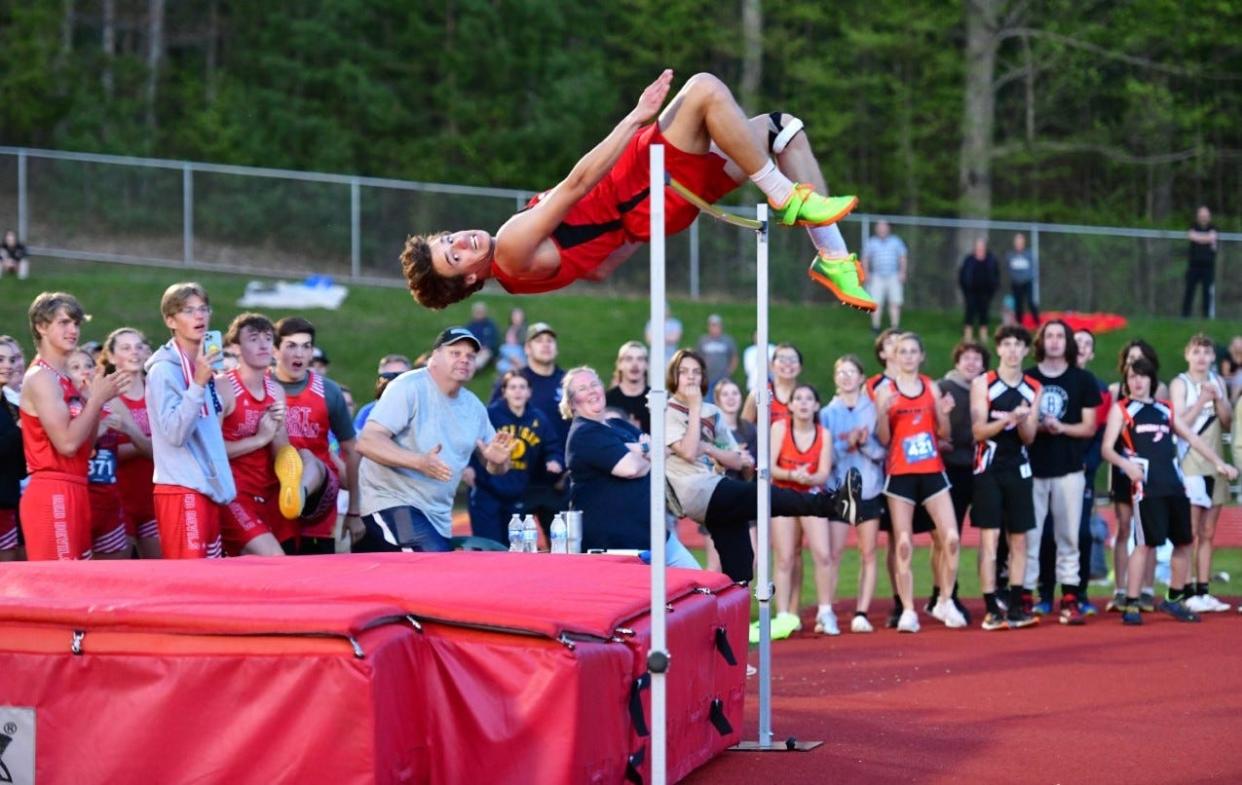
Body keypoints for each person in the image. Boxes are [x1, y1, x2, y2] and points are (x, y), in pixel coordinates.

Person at [400, 70, 873, 311]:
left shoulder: (518, 275)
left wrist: (649, 226)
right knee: (705, 88)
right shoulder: (512, 245)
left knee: (780, 130)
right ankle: (783, 195)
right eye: (456, 256)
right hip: (642, 184)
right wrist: (636, 117)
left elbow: (599, 269)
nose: (463, 241)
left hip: (648, 199)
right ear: (467, 280)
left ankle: (833, 259)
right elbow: (577, 183)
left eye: (449, 240)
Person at [657, 352, 860, 587]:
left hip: (716, 491)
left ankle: (729, 618)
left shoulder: (712, 412)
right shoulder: (667, 411)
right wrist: (694, 411)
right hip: (694, 491)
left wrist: (710, 449)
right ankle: (833, 505)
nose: (690, 377)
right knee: (764, 494)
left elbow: (736, 460)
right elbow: (690, 451)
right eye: (683, 371)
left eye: (696, 371)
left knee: (741, 565)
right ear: (673, 375)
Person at [1101, 357, 1238, 625]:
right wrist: (1126, 466)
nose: (1136, 381)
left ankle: (1174, 599)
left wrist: (1219, 463)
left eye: (1141, 376)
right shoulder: (1123, 409)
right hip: (1146, 486)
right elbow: (1107, 448)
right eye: (1131, 377)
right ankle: (1131, 603)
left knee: (1185, 541)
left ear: (1151, 379)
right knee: (1145, 543)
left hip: (1174, 485)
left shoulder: (1165, 409)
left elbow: (1192, 437)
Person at [356, 327, 513, 552]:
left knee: (430, 570)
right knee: (433, 562)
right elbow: (368, 441)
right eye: (455, 353)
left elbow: (497, 467)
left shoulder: (474, 407)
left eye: (470, 356)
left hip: (437, 515)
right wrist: (419, 462)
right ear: (435, 356)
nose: (464, 360)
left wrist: (498, 461)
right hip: (391, 502)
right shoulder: (407, 387)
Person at [19, 293, 129, 560]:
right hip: (53, 489)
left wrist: (93, 401)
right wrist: (96, 403)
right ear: (41, 327)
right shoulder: (42, 377)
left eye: (76, 324)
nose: (73, 330)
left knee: (78, 584)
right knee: (60, 588)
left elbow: (86, 447)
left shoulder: (65, 378)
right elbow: (67, 445)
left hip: (77, 486)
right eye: (64, 323)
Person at [874, 332, 965, 632]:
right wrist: (881, 412)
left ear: (921, 356)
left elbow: (944, 433)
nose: (909, 356)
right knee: (902, 544)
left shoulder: (931, 387)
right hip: (900, 474)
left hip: (932, 472)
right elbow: (884, 439)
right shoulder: (886, 391)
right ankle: (909, 610)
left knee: (951, 538)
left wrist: (945, 413)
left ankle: (945, 600)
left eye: (914, 351)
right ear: (894, 356)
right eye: (903, 351)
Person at [145, 283, 233, 559]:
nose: (199, 317)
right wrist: (196, 384)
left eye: (203, 309)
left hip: (207, 488)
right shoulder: (163, 371)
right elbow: (174, 434)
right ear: (170, 321)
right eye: (188, 310)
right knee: (191, 587)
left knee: (212, 584)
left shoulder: (203, 364)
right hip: (182, 490)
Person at [1023, 319, 1101, 624]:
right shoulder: (1028, 379)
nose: (1054, 341)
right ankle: (1027, 594)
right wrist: (1036, 426)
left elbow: (1089, 426)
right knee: (1030, 536)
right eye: (1049, 336)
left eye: (1060, 336)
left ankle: (1070, 597)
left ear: (1067, 343)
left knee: (1069, 535)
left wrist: (1061, 427)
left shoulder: (1083, 379)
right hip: (1032, 468)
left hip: (1069, 468)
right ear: (1041, 342)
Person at [970, 325, 1042, 631]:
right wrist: (1009, 420)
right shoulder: (983, 383)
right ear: (998, 349)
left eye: (1018, 345)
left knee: (1020, 538)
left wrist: (1023, 421)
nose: (1012, 350)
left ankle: (1015, 607)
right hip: (988, 466)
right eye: (1007, 345)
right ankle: (990, 609)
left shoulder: (1034, 388)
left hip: (1019, 467)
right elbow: (978, 431)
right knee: (990, 539)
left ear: (1026, 351)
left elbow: (1029, 438)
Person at [272, 316, 363, 554]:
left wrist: (354, 511)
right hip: (270, 491)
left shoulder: (329, 391)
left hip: (318, 495)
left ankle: (298, 493)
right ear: (275, 350)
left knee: (305, 456)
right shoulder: (260, 385)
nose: (299, 354)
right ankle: (291, 494)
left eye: (306, 346)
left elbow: (352, 449)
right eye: (291, 345)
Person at [215, 313, 298, 557]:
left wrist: (279, 430)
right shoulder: (223, 387)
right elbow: (211, 451)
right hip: (231, 495)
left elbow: (279, 449)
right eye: (253, 338)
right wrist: (260, 438)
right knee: (275, 560)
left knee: (251, 574)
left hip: (263, 494)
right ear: (235, 348)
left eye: (268, 338)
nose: (263, 345)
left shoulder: (276, 391)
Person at [822, 355, 886, 633]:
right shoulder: (826, 413)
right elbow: (823, 455)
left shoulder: (873, 410)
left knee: (868, 551)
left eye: (852, 372)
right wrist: (845, 443)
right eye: (841, 372)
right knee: (833, 552)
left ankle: (862, 612)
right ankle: (828, 611)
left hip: (869, 486)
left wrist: (863, 444)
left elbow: (884, 450)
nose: (846, 377)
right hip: (838, 487)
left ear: (862, 377)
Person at [1169, 333, 1233, 613]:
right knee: (1190, 531)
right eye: (1196, 352)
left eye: (1206, 353)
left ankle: (1203, 590)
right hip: (1191, 462)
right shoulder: (1180, 383)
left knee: (1208, 532)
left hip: (1216, 463)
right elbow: (1178, 424)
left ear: (1213, 358)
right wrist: (1202, 400)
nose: (1202, 358)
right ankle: (1183, 591)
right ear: (1187, 355)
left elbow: (1229, 422)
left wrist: (1218, 399)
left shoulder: (1218, 381)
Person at [1104, 340, 1165, 613]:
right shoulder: (1115, 391)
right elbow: (1110, 437)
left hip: (1151, 469)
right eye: (1130, 359)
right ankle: (1120, 589)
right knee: (1125, 526)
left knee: (1149, 529)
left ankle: (1147, 589)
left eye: (1140, 359)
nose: (1135, 364)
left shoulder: (1160, 390)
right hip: (1122, 466)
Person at [770, 383, 835, 638]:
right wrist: (791, 474)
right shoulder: (779, 429)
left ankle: (825, 611)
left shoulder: (824, 434)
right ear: (791, 405)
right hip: (784, 495)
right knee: (785, 556)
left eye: (809, 398)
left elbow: (823, 473)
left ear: (816, 405)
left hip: (810, 496)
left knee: (823, 553)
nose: (804, 403)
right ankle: (784, 615)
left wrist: (807, 479)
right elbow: (770, 467)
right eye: (798, 398)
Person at [466, 370, 560, 545]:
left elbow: (551, 445)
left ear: (529, 392)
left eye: (522, 387)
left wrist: (554, 460)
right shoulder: (490, 415)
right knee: (489, 548)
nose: (518, 391)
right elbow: (472, 442)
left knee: (515, 549)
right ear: (504, 391)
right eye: (513, 387)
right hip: (487, 490)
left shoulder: (538, 419)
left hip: (518, 492)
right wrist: (469, 467)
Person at [932, 340, 989, 622]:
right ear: (957, 361)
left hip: (979, 469)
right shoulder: (943, 387)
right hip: (950, 469)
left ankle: (992, 591)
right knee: (946, 536)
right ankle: (943, 593)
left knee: (986, 534)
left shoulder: (989, 389)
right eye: (966, 357)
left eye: (977, 359)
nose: (971, 363)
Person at [491, 322, 567, 531]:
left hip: (556, 480)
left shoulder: (566, 381)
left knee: (563, 547)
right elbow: (491, 424)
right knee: (514, 546)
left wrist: (567, 468)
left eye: (550, 340)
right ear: (527, 348)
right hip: (517, 478)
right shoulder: (514, 381)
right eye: (538, 340)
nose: (545, 345)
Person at [100, 327, 162, 559]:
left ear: (147, 352)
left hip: (154, 497)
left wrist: (134, 441)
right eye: (126, 348)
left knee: (162, 572)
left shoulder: (159, 390)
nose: (134, 353)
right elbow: (104, 452)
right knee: (117, 578)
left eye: (139, 346)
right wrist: (150, 445)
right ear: (112, 357)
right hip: (118, 500)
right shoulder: (105, 395)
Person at [1073, 328, 1111, 612]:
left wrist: (1089, 463)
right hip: (1050, 469)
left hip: (1084, 469)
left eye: (1088, 344)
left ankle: (1080, 593)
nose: (1082, 347)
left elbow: (1100, 435)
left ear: (1092, 352)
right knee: (1049, 532)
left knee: (1082, 532)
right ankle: (1046, 593)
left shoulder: (1100, 388)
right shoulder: (1047, 380)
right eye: (1078, 342)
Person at [703, 377, 757, 572]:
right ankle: (712, 602)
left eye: (735, 393)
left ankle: (742, 602)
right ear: (717, 399)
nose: (731, 398)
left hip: (743, 497)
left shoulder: (749, 429)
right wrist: (730, 458)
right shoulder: (709, 428)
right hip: (715, 498)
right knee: (716, 565)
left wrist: (746, 462)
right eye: (725, 394)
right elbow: (704, 464)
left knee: (751, 560)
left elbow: (751, 474)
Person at [0, 335, 26, 561]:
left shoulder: (10, 406)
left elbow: (19, 467)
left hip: (8, 502)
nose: (7, 365)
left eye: (11, 359)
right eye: (1, 360)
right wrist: (18, 430)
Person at [862, 220, 908, 333]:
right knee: (876, 303)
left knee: (895, 302)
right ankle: (875, 327)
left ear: (888, 228)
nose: (882, 229)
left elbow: (902, 257)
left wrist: (902, 272)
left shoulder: (896, 242)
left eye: (884, 227)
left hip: (893, 276)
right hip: (877, 277)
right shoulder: (871, 242)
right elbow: (865, 258)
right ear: (876, 229)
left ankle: (895, 327)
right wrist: (866, 273)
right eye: (880, 227)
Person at [354, 354, 414, 432]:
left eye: (401, 375)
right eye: (388, 376)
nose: (395, 380)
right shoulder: (368, 412)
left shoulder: (420, 409)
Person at [958, 238, 1000, 344]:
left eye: (982, 247)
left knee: (984, 312)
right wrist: (965, 288)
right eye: (978, 247)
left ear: (985, 248)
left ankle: (983, 335)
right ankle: (968, 335)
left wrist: (993, 287)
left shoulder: (991, 259)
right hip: (971, 291)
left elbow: (996, 274)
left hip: (986, 292)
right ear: (975, 248)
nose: (980, 249)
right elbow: (962, 275)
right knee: (970, 311)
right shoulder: (969, 259)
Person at [605, 340, 651, 432]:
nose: (635, 364)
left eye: (640, 359)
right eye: (629, 359)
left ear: (647, 365)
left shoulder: (657, 399)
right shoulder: (607, 399)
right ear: (619, 364)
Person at [1182, 206, 1217, 319]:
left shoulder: (1213, 227)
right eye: (1201, 216)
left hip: (1208, 266)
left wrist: (1199, 238)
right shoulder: (1193, 226)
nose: (1203, 218)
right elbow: (1191, 236)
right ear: (1198, 217)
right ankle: (1185, 316)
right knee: (1189, 290)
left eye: (1205, 216)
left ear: (1209, 217)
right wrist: (1206, 238)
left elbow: (1212, 237)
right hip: (1193, 266)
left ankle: (1206, 316)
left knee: (1207, 293)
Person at [695, 314, 739, 401]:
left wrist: (729, 371)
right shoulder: (703, 340)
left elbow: (734, 357)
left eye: (717, 325)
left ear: (721, 326)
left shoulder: (728, 341)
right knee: (708, 402)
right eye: (713, 325)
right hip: (707, 379)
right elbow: (697, 357)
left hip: (723, 378)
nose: (715, 328)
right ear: (709, 327)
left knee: (722, 401)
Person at [1006, 233, 1039, 325]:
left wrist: (1027, 278)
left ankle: (1037, 323)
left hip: (1027, 282)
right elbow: (1009, 269)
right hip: (1016, 283)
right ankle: (1019, 324)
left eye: (1021, 242)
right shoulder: (1010, 255)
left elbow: (1033, 269)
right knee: (1018, 304)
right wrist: (1016, 278)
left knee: (1031, 302)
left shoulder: (1028, 254)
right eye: (1017, 242)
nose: (1019, 244)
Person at [466, 301, 500, 370]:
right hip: (473, 349)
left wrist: (485, 347)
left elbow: (494, 340)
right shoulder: (470, 326)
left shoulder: (490, 325)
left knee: (483, 356)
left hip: (486, 350)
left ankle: (471, 369)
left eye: (481, 312)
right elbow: (466, 339)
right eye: (477, 312)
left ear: (485, 313)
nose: (479, 313)